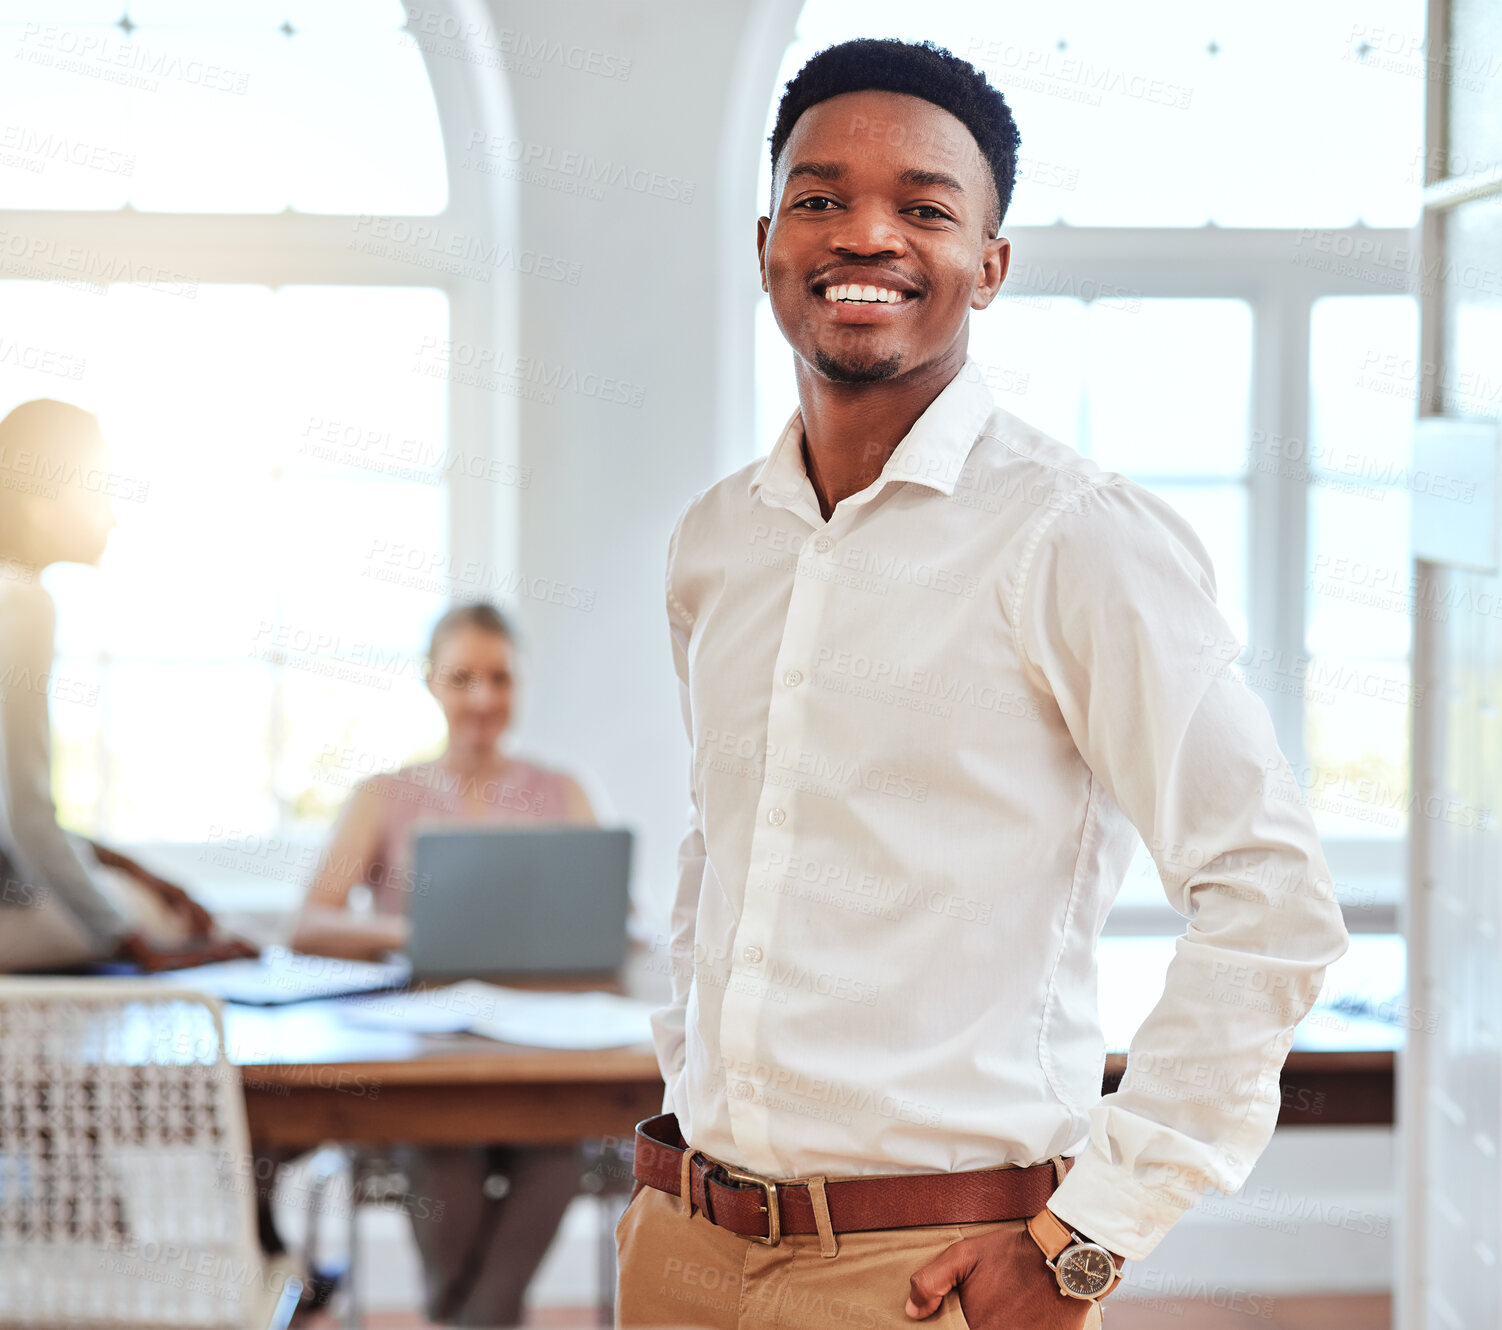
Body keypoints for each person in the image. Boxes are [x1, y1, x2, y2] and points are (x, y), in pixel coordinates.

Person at [616, 38, 1350, 1330]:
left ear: (989, 264)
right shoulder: (716, 540)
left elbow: (1270, 894)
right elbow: (718, 848)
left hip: (930, 1268)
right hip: (684, 1243)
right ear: (765, 237)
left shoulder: (1072, 536)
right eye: (820, 196)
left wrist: (1086, 1238)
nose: (866, 235)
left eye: (924, 206)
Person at [288, 602, 597, 1327]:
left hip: (541, 1052)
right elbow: (306, 922)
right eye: (464, 678)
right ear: (432, 682)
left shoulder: (562, 792)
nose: (483, 698)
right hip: (427, 1052)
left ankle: (463, 1318)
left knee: (556, 1163)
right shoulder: (386, 796)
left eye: (500, 678)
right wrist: (410, 928)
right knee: (444, 1171)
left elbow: (612, 916)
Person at [0, 399, 254, 973]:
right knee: (170, 921)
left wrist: (131, 868)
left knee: (139, 898)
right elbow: (26, 821)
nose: (112, 518)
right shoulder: (21, 603)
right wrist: (145, 949)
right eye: (99, 493)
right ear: (40, 504)